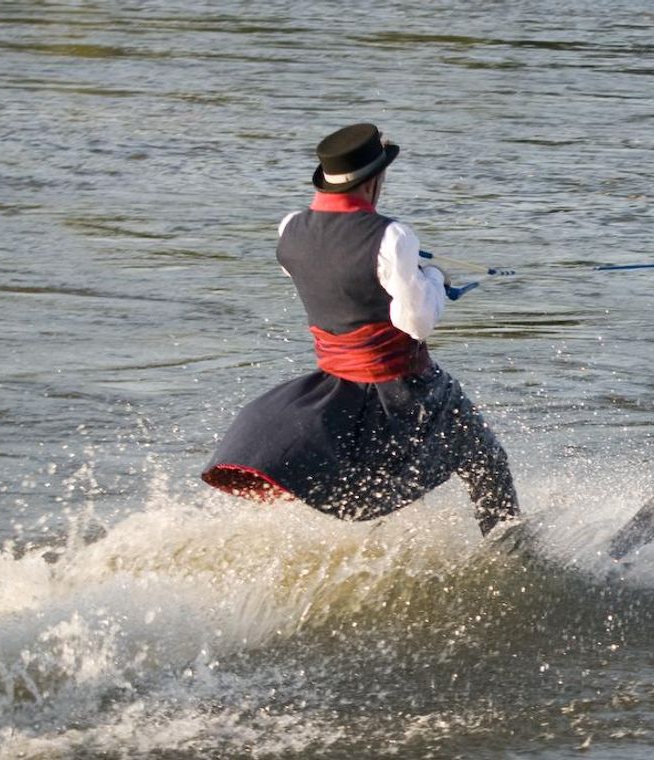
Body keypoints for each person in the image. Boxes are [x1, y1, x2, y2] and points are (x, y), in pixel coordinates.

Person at [202, 123, 519, 535]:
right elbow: (416, 322)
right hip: (403, 390)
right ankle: (512, 548)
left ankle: (399, 544)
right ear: (374, 180)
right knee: (483, 459)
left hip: (338, 394)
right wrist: (435, 280)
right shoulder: (393, 236)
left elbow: (326, 276)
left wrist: (402, 273)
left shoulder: (290, 229)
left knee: (392, 478)